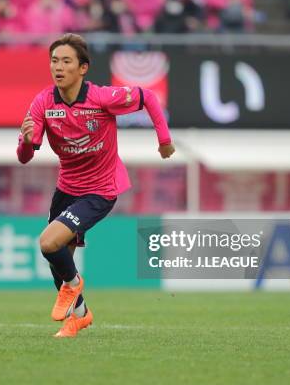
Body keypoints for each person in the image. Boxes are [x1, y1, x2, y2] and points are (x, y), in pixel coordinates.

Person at [16, 33, 175, 337]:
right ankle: (80, 315)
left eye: (66, 61)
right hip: (67, 188)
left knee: (49, 243)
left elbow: (149, 98)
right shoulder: (43, 102)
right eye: (54, 61)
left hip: (101, 188)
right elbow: (26, 155)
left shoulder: (102, 98)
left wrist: (164, 140)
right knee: (58, 262)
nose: (58, 67)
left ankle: (74, 286)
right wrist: (25, 141)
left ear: (83, 68)